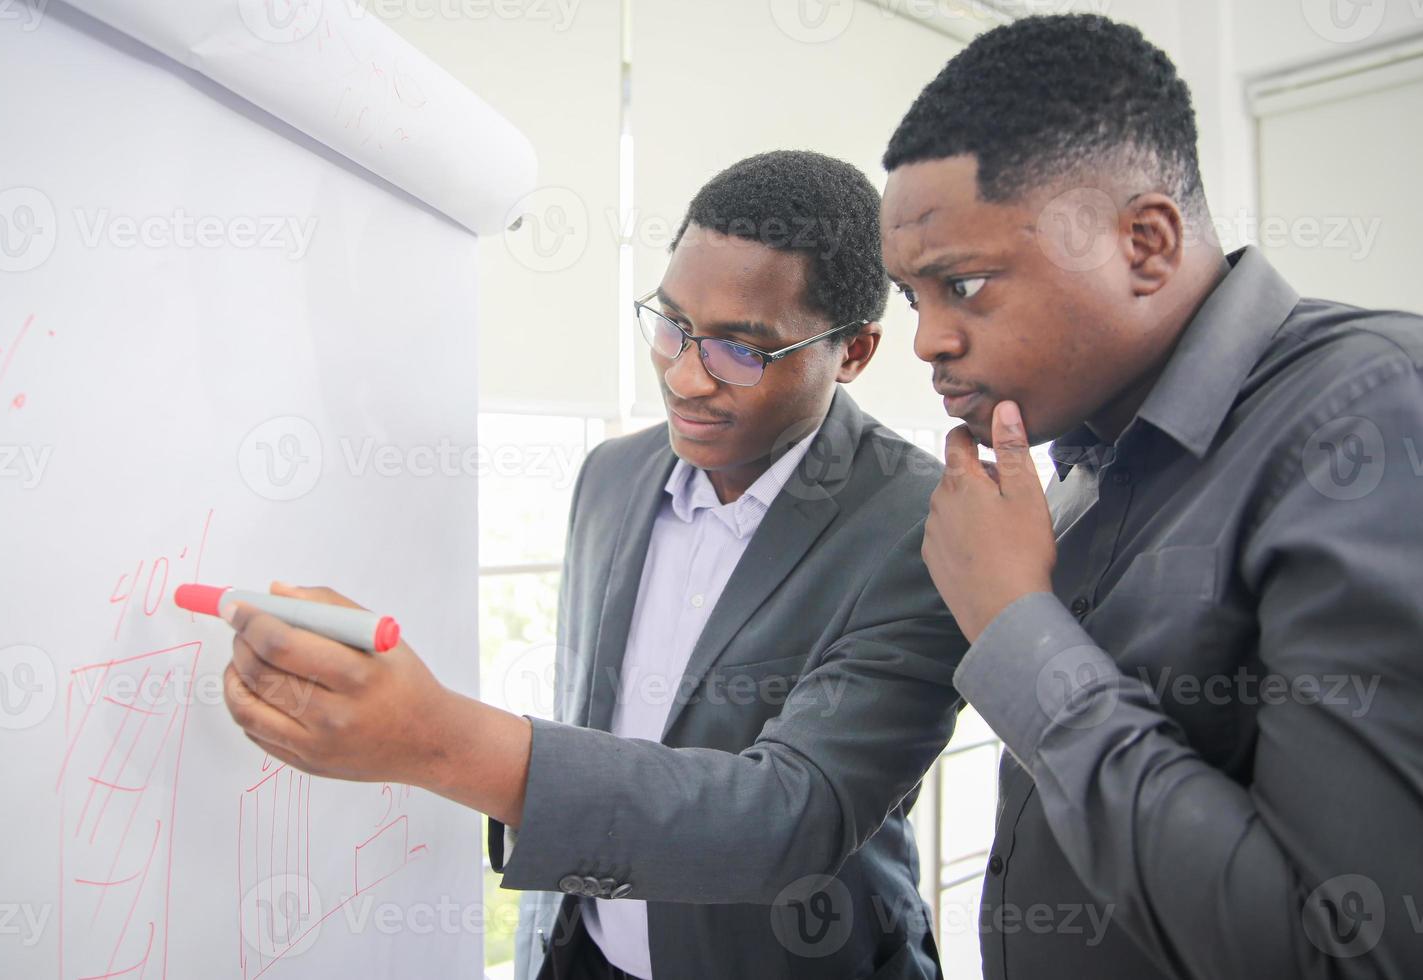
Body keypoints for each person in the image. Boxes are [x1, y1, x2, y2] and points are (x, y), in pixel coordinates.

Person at [223, 150, 968, 979]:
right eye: (671, 324)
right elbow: (599, 720)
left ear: (855, 352)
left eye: (740, 352)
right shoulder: (611, 475)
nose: (685, 378)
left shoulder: (926, 525)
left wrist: (434, 739)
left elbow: (789, 817)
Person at [881, 13, 1423, 979]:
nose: (926, 341)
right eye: (909, 298)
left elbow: (1343, 951)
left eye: (962, 285)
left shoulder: (1373, 413)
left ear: (1144, 244)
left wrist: (1013, 624)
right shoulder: (1083, 450)